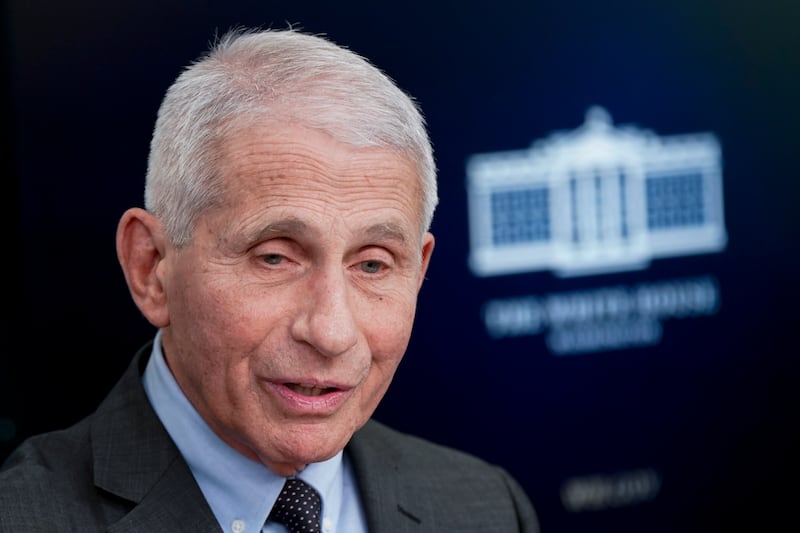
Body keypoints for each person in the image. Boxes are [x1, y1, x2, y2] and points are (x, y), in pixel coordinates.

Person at [0, 27, 539, 532]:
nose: (331, 332)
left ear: (419, 273)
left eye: (372, 264)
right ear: (152, 268)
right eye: (275, 257)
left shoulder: (487, 507)